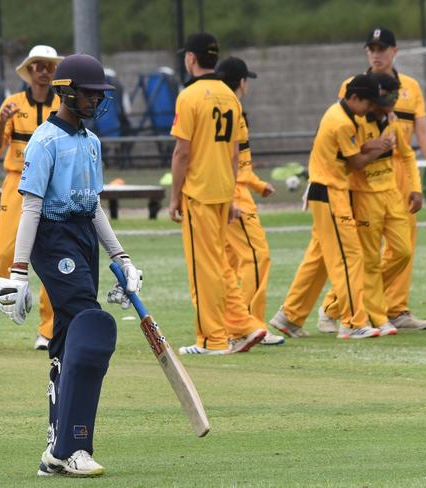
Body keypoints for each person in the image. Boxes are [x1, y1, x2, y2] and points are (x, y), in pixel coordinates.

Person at [0, 53, 141, 477]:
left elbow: (94, 207)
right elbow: (31, 206)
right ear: (68, 92)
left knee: (66, 343)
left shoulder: (91, 142)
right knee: (92, 327)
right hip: (52, 238)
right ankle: (72, 447)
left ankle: (53, 451)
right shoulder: (44, 141)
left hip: (81, 238)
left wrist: (121, 256)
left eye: (100, 96)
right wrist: (19, 271)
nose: (97, 102)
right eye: (91, 94)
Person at [319, 27, 426, 331]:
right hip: (359, 185)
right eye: (371, 48)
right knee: (356, 255)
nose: (376, 54)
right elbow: (348, 145)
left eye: (382, 49)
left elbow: (418, 131)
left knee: (403, 250)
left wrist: (421, 178)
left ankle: (391, 308)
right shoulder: (353, 89)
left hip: (397, 184)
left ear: (394, 51)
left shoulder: (409, 88)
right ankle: (358, 310)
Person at [269, 74, 393, 339]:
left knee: (319, 260)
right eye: (368, 103)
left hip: (327, 192)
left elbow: (354, 149)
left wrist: (373, 145)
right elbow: (356, 162)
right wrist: (380, 149)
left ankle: (289, 316)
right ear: (355, 98)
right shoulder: (341, 121)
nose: (371, 109)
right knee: (350, 258)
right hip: (330, 193)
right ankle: (353, 322)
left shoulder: (345, 115)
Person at [168, 33, 268, 355]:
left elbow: (182, 152)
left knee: (203, 269)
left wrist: (174, 197)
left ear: (191, 59)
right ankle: (244, 325)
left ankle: (212, 339)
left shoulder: (189, 96)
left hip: (199, 192)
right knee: (220, 265)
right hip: (224, 191)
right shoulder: (230, 95)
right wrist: (231, 195)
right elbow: (235, 153)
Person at [0, 45, 63, 351]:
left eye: (48, 66)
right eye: (38, 66)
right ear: (29, 71)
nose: (43, 71)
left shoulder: (62, 103)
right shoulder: (12, 104)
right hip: (16, 184)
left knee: (53, 255)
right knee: (2, 256)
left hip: (53, 186)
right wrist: (1, 125)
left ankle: (48, 329)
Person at [215, 56, 284, 346]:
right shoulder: (234, 109)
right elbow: (228, 161)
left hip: (230, 189)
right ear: (241, 83)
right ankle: (248, 326)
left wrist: (257, 184)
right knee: (257, 255)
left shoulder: (219, 105)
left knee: (229, 263)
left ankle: (231, 325)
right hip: (234, 194)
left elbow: (238, 159)